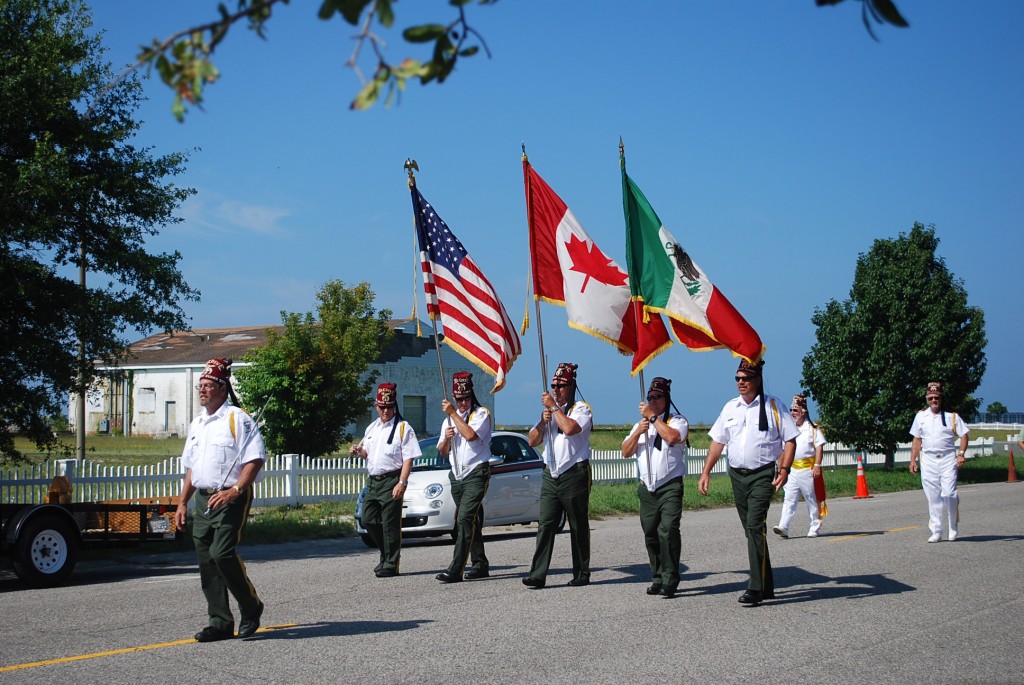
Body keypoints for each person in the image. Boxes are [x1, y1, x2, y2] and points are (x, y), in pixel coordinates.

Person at [174, 358, 266, 643]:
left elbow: (255, 459)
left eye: (207, 385)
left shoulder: (237, 419)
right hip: (203, 499)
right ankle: (220, 622)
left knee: (222, 553)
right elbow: (192, 467)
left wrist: (234, 491)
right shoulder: (198, 423)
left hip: (231, 497)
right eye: (200, 385)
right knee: (206, 559)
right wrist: (182, 503)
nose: (202, 390)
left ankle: (251, 608)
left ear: (222, 388)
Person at [698, 359, 798, 606]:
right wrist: (705, 472)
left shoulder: (774, 406)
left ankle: (755, 588)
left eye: (746, 378)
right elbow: (718, 442)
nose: (741, 382)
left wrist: (784, 469)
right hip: (737, 476)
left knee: (754, 527)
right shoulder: (730, 408)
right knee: (752, 531)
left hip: (763, 475)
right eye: (738, 378)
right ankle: (767, 584)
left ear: (757, 380)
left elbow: (790, 440)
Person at [522, 362, 593, 589]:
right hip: (551, 474)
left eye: (561, 386)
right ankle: (538, 573)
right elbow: (532, 440)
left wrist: (554, 409)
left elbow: (571, 429)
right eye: (554, 385)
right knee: (546, 524)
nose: (556, 389)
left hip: (574, 473)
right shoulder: (549, 413)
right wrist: (543, 423)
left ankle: (581, 572)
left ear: (571, 386)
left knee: (577, 524)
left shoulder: (581, 409)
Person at [621, 377, 688, 598]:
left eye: (657, 397)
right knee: (651, 533)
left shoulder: (677, 420)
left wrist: (652, 417)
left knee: (667, 530)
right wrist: (639, 432)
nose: (653, 401)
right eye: (650, 397)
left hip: (669, 486)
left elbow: (672, 436)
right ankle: (657, 575)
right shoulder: (640, 426)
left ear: (666, 398)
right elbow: (625, 451)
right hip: (647, 488)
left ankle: (670, 578)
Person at [350, 382, 420, 576]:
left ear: (394, 406)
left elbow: (409, 458)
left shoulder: (403, 428)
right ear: (376, 406)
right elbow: (369, 453)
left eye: (389, 407)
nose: (386, 411)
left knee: (390, 524)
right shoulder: (372, 428)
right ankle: (386, 553)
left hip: (391, 480)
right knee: (368, 520)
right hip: (373, 481)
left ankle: (390, 564)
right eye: (382, 407)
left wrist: (402, 482)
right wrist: (359, 451)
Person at [435, 371, 493, 583]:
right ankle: (480, 564)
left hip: (476, 472)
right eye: (459, 399)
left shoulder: (481, 414)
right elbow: (442, 452)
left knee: (464, 519)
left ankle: (455, 569)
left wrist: (454, 414)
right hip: (457, 475)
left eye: (466, 398)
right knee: (472, 520)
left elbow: (470, 435)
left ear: (472, 395)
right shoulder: (448, 421)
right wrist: (447, 440)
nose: (463, 402)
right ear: (453, 396)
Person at [909, 382, 969, 543]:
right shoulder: (921, 417)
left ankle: (953, 526)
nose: (934, 400)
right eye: (931, 398)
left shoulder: (952, 417)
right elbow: (917, 439)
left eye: (937, 398)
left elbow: (964, 435)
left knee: (948, 493)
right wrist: (913, 460)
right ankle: (936, 530)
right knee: (933, 497)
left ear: (941, 399)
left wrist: (961, 454)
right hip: (928, 460)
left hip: (948, 459)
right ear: (927, 399)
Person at [773, 394, 827, 539]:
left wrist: (817, 465)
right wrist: (781, 469)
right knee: (789, 498)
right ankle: (783, 526)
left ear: (803, 412)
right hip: (791, 470)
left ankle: (815, 526)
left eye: (795, 410)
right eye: (791, 410)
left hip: (807, 468)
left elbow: (819, 447)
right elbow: (784, 450)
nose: (792, 413)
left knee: (811, 498)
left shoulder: (812, 428)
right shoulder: (789, 429)